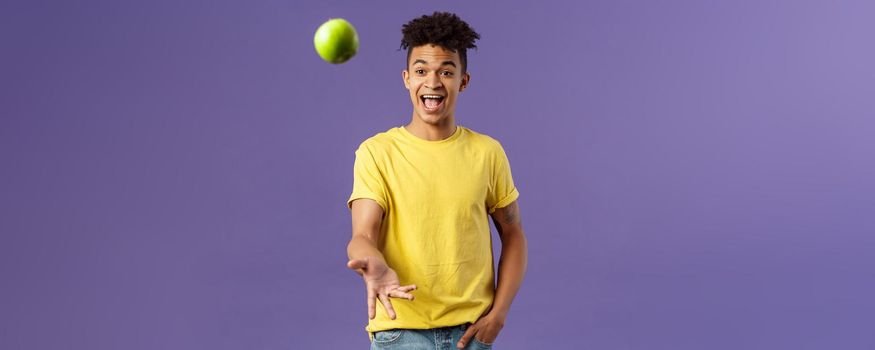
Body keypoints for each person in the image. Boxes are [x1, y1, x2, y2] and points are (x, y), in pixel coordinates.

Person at [346, 12, 528, 350]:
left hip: (471, 335)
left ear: (463, 81)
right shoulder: (376, 152)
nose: (432, 82)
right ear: (406, 79)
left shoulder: (487, 152)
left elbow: (514, 235)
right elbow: (362, 236)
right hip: (401, 335)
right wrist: (373, 263)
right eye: (421, 71)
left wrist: (499, 314)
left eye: (446, 71)